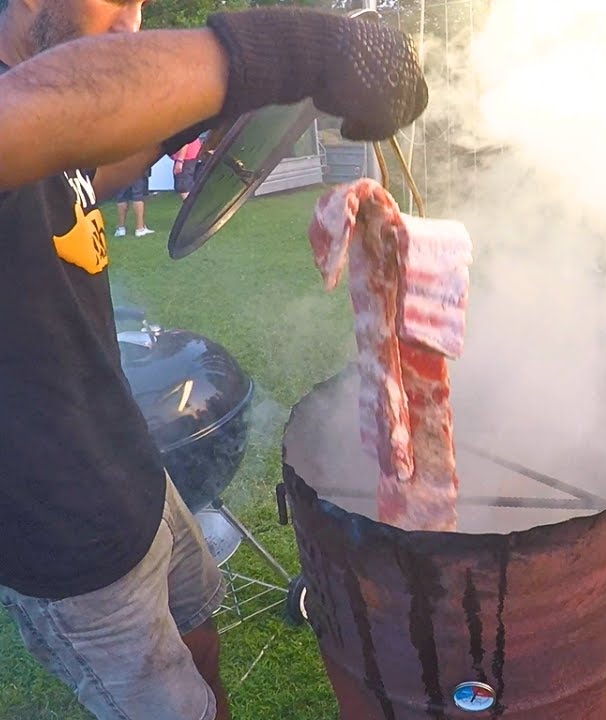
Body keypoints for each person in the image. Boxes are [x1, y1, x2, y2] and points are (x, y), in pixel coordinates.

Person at [0, 2, 428, 719]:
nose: (132, 23)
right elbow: (26, 116)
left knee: (200, 639)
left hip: (133, 472)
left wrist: (197, 117)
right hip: (63, 537)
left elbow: (88, 169)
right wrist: (298, 51)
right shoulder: (18, 108)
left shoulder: (47, 131)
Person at [113, 170, 154, 236]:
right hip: (138, 168)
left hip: (120, 168)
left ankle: (121, 229)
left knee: (121, 196)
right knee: (138, 195)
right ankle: (140, 228)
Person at [172, 135, 203, 200]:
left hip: (186, 157)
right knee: (192, 186)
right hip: (194, 155)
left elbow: (184, 141)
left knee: (184, 188)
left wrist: (180, 160)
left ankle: (192, 206)